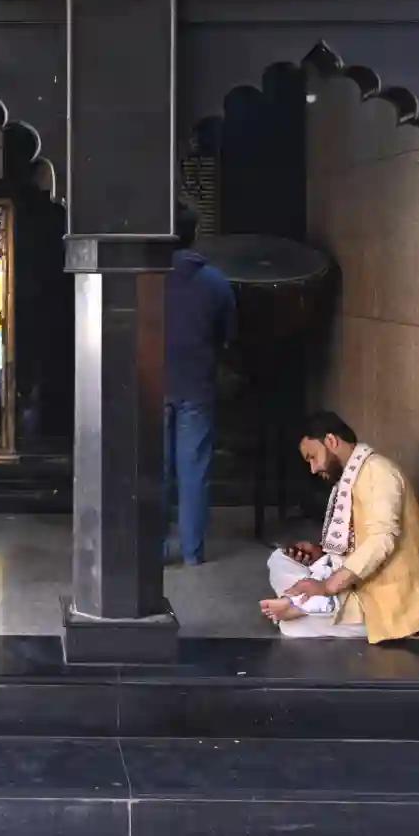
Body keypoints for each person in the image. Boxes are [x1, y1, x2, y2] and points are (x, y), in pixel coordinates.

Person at [260, 412, 419, 642]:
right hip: (357, 582)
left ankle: (304, 603)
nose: (313, 468)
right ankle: (305, 601)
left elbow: (382, 539)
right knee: (279, 559)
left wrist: (328, 586)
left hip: (381, 598)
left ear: (331, 441)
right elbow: (355, 541)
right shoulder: (350, 477)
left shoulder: (379, 472)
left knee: (293, 628)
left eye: (313, 457)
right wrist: (321, 554)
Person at [163, 200, 236, 566]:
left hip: (152, 386)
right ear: (195, 235)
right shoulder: (216, 281)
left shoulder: (147, 277)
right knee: (194, 472)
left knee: (154, 469)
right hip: (198, 386)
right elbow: (228, 336)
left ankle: (154, 549)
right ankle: (193, 553)